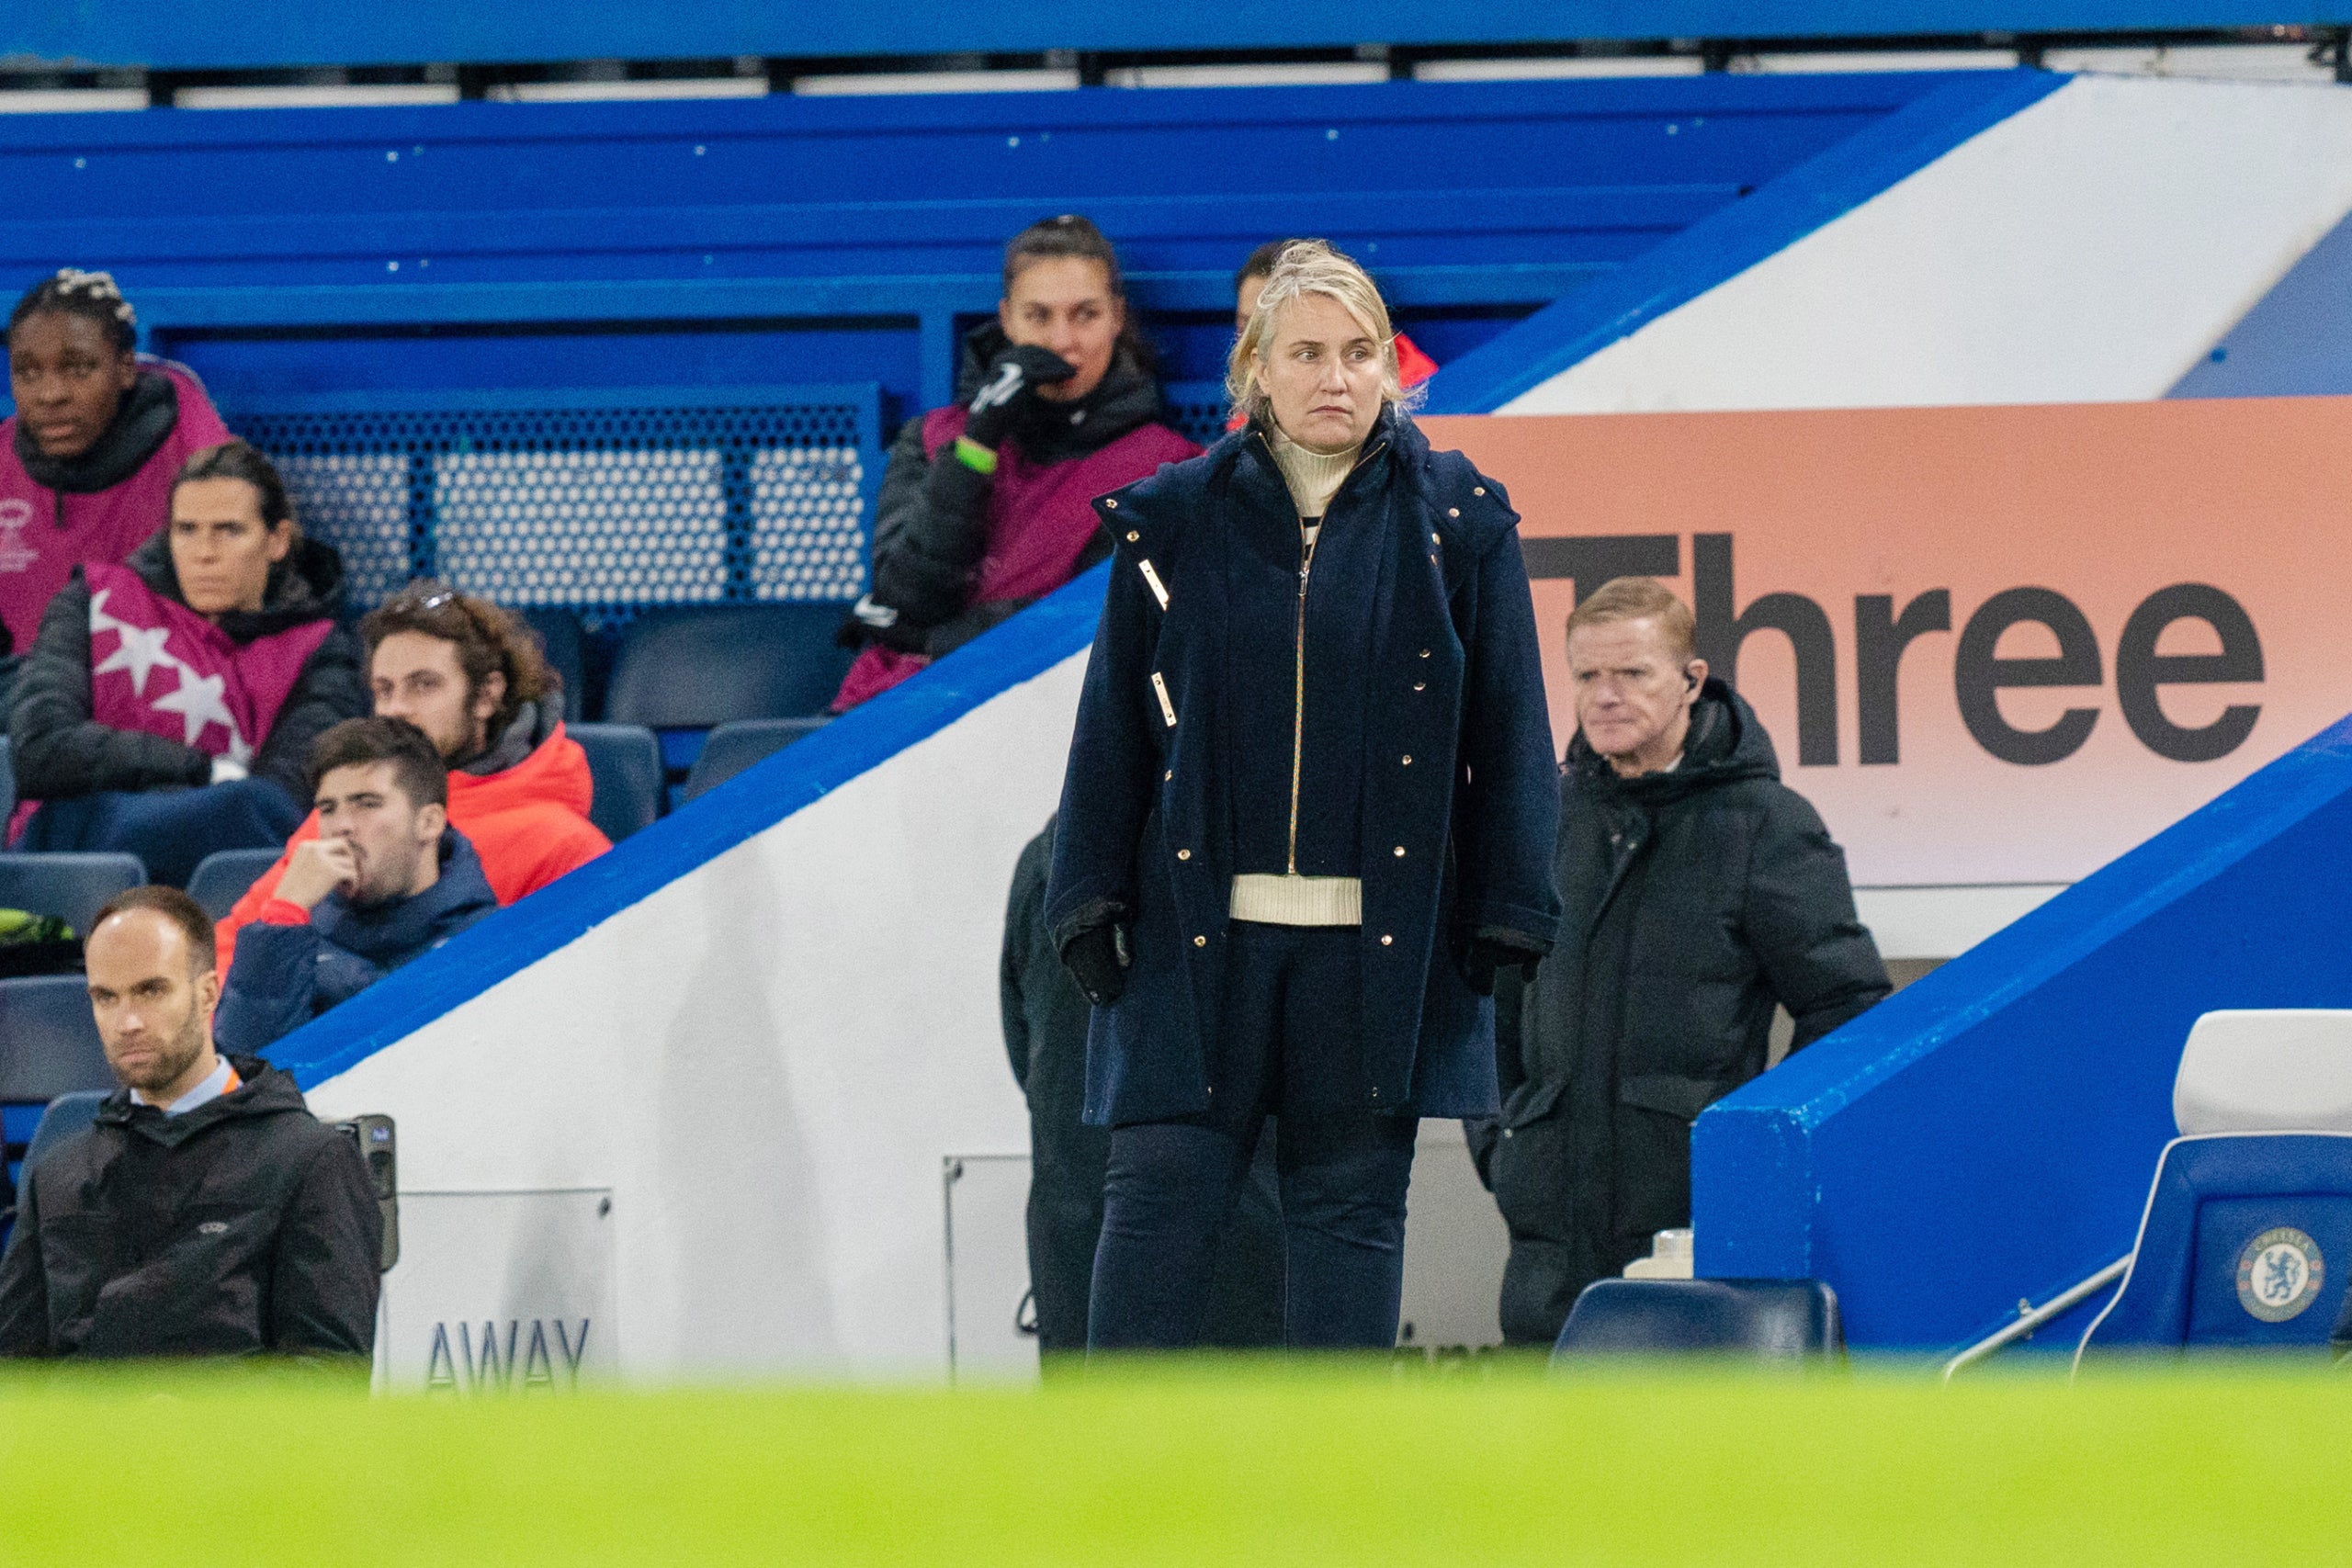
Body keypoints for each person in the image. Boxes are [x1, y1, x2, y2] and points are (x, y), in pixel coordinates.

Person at [1046, 240, 1562, 1351]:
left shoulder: (1459, 523)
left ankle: (1333, 1505)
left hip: (1372, 958)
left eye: (1359, 352)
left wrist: (1514, 909)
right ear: (1256, 373)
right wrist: (1085, 894)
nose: (1336, 376)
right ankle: (1113, 1498)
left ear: (1392, 370)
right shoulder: (1169, 520)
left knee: (1350, 1224)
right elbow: (1112, 730)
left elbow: (1512, 728)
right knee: (1153, 1216)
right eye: (1308, 352)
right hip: (1196, 949)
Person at [1480, 577, 1892, 1347]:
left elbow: (1847, 1005)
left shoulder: (1765, 826)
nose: (1605, 695)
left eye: (1632, 673)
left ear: (1691, 680)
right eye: (1587, 676)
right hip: (1547, 1256)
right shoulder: (1544, 825)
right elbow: (1494, 1002)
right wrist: (1510, 1145)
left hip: (1701, 1241)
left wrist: (1759, 1155)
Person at [832, 215, 1202, 710]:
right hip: (887, 708)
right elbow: (906, 598)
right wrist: (978, 443)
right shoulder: (934, 436)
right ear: (1007, 320)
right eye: (1039, 316)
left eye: (1085, 315)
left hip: (1043, 716)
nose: (1062, 341)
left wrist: (929, 642)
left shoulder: (1165, 466)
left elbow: (1089, 621)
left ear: (1117, 316)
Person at [0, 886, 380, 1360]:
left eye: (151, 990)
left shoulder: (311, 1160)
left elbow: (329, 1376)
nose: (128, 1021)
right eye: (106, 998)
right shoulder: (57, 1175)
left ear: (207, 994)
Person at [8, 440, 367, 886]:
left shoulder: (323, 650)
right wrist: (200, 769)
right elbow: (41, 750)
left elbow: (278, 805)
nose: (204, 552)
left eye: (230, 530)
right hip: (73, 873)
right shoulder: (91, 599)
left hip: (219, 881)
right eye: (186, 529)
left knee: (250, 810)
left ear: (276, 541)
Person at [213, 581, 608, 977]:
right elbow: (231, 950)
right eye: (384, 690)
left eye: (424, 685)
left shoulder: (562, 845)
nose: (397, 710)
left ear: (487, 695)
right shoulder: (343, 812)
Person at [1002, 814, 1285, 1360]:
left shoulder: (1047, 868)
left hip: (1081, 1228)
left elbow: (1026, 1052)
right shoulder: (1255, 864)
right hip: (1232, 1230)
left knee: (1095, 1439)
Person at [214, 716, 496, 1054]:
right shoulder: (293, 938)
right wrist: (283, 916)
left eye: (367, 803)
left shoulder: (489, 938)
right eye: (328, 809)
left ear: (429, 823)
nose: (341, 826)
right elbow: (242, 1068)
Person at [0, 269, 233, 660]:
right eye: (27, 373)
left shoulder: (193, 453)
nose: (50, 394)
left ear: (125, 368)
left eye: (78, 369)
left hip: (161, 685)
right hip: (23, 695)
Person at [1225, 241, 1437, 432]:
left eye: (1358, 354)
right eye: (1246, 323)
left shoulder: (1417, 381)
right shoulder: (1228, 459)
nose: (1335, 382)